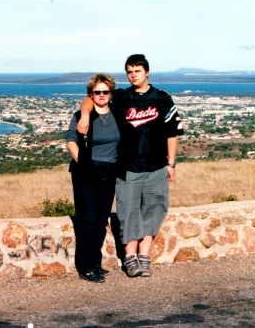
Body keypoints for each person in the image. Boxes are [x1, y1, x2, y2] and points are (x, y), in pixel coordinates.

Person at [77, 54, 183, 278]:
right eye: (129, 71)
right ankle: (130, 258)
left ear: (147, 72)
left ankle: (144, 257)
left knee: (154, 210)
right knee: (128, 213)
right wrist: (85, 115)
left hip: (156, 167)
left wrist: (171, 163)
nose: (133, 75)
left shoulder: (162, 98)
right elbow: (93, 97)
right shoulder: (122, 97)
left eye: (137, 70)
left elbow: (172, 134)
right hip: (127, 168)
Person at [66, 73, 123, 283]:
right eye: (97, 92)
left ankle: (95, 262)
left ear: (110, 93)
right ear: (91, 94)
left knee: (101, 219)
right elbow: (71, 140)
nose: (101, 95)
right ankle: (86, 266)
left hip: (110, 170)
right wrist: (83, 163)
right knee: (87, 219)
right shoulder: (82, 114)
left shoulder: (116, 113)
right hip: (86, 170)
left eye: (105, 91)